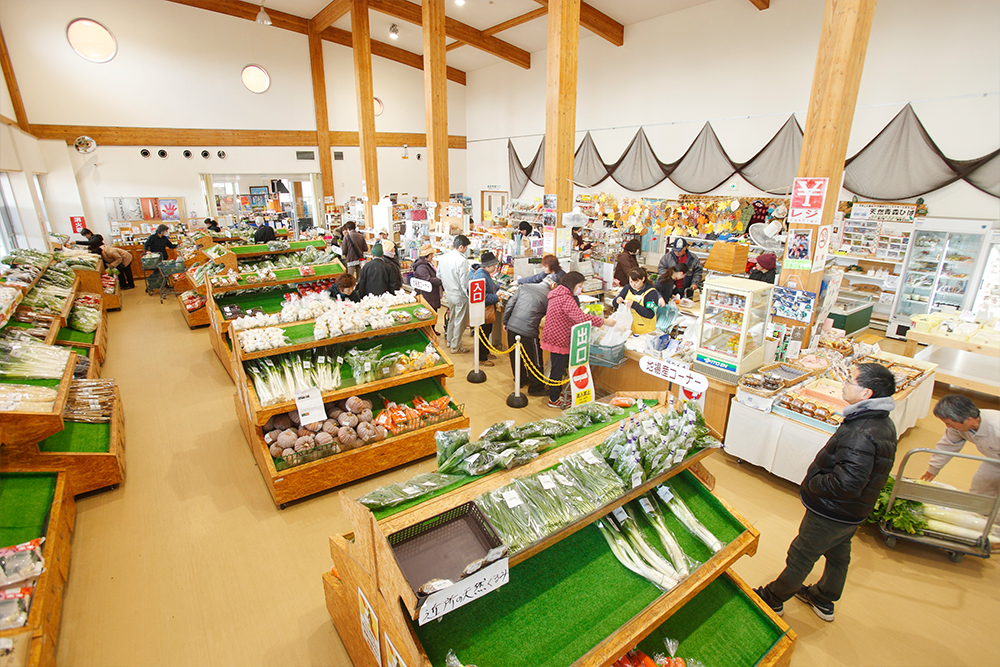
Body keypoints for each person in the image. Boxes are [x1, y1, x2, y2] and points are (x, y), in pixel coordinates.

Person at [755, 363, 898, 622]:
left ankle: (773, 598)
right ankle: (824, 597)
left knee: (801, 554)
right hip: (853, 512)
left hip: (832, 510)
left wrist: (813, 483)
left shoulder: (861, 432)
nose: (844, 383)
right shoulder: (881, 422)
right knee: (839, 553)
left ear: (866, 393)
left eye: (850, 380)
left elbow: (847, 484)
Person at [541, 272, 604, 409]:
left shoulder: (557, 293)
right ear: (572, 284)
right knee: (557, 369)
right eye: (579, 286)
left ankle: (557, 394)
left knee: (556, 367)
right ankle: (554, 399)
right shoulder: (566, 298)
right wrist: (603, 322)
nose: (580, 289)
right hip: (560, 337)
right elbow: (580, 318)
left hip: (554, 335)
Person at [920, 395, 999, 499]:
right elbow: (948, 445)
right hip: (994, 458)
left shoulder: (996, 427)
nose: (948, 426)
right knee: (979, 487)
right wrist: (933, 468)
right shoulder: (958, 426)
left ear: (969, 420)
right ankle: (978, 513)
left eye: (949, 423)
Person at [503, 277, 554, 397]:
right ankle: (536, 388)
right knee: (534, 359)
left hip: (512, 326)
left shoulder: (524, 287)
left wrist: (506, 322)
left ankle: (520, 380)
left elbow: (510, 304)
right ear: (553, 284)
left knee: (516, 356)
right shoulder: (549, 295)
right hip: (528, 331)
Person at [438, 235, 472, 354]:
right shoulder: (462, 261)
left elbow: (439, 275)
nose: (466, 250)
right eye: (466, 247)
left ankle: (449, 340)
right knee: (460, 321)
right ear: (461, 247)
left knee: (452, 317)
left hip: (449, 293)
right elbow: (464, 282)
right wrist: (467, 294)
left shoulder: (443, 257)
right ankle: (456, 346)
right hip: (459, 295)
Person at [469, 251, 503, 367]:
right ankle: (481, 358)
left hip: (485, 309)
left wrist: (498, 286)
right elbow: (482, 296)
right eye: (494, 265)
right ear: (488, 265)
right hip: (482, 310)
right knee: (483, 334)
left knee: (487, 332)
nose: (495, 267)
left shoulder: (484, 273)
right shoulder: (481, 275)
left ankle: (486, 353)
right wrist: (496, 297)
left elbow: (490, 286)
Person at [615, 268, 663, 334]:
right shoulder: (627, 288)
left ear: (643, 279)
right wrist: (617, 300)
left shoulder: (651, 293)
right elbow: (615, 304)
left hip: (644, 331)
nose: (633, 285)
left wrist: (634, 305)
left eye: (636, 282)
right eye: (631, 282)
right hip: (628, 329)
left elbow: (650, 313)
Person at [411, 244, 443, 312]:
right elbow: (428, 279)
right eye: (431, 255)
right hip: (427, 297)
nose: (432, 256)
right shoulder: (421, 267)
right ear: (426, 256)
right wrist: (441, 280)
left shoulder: (428, 263)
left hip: (431, 295)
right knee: (429, 313)